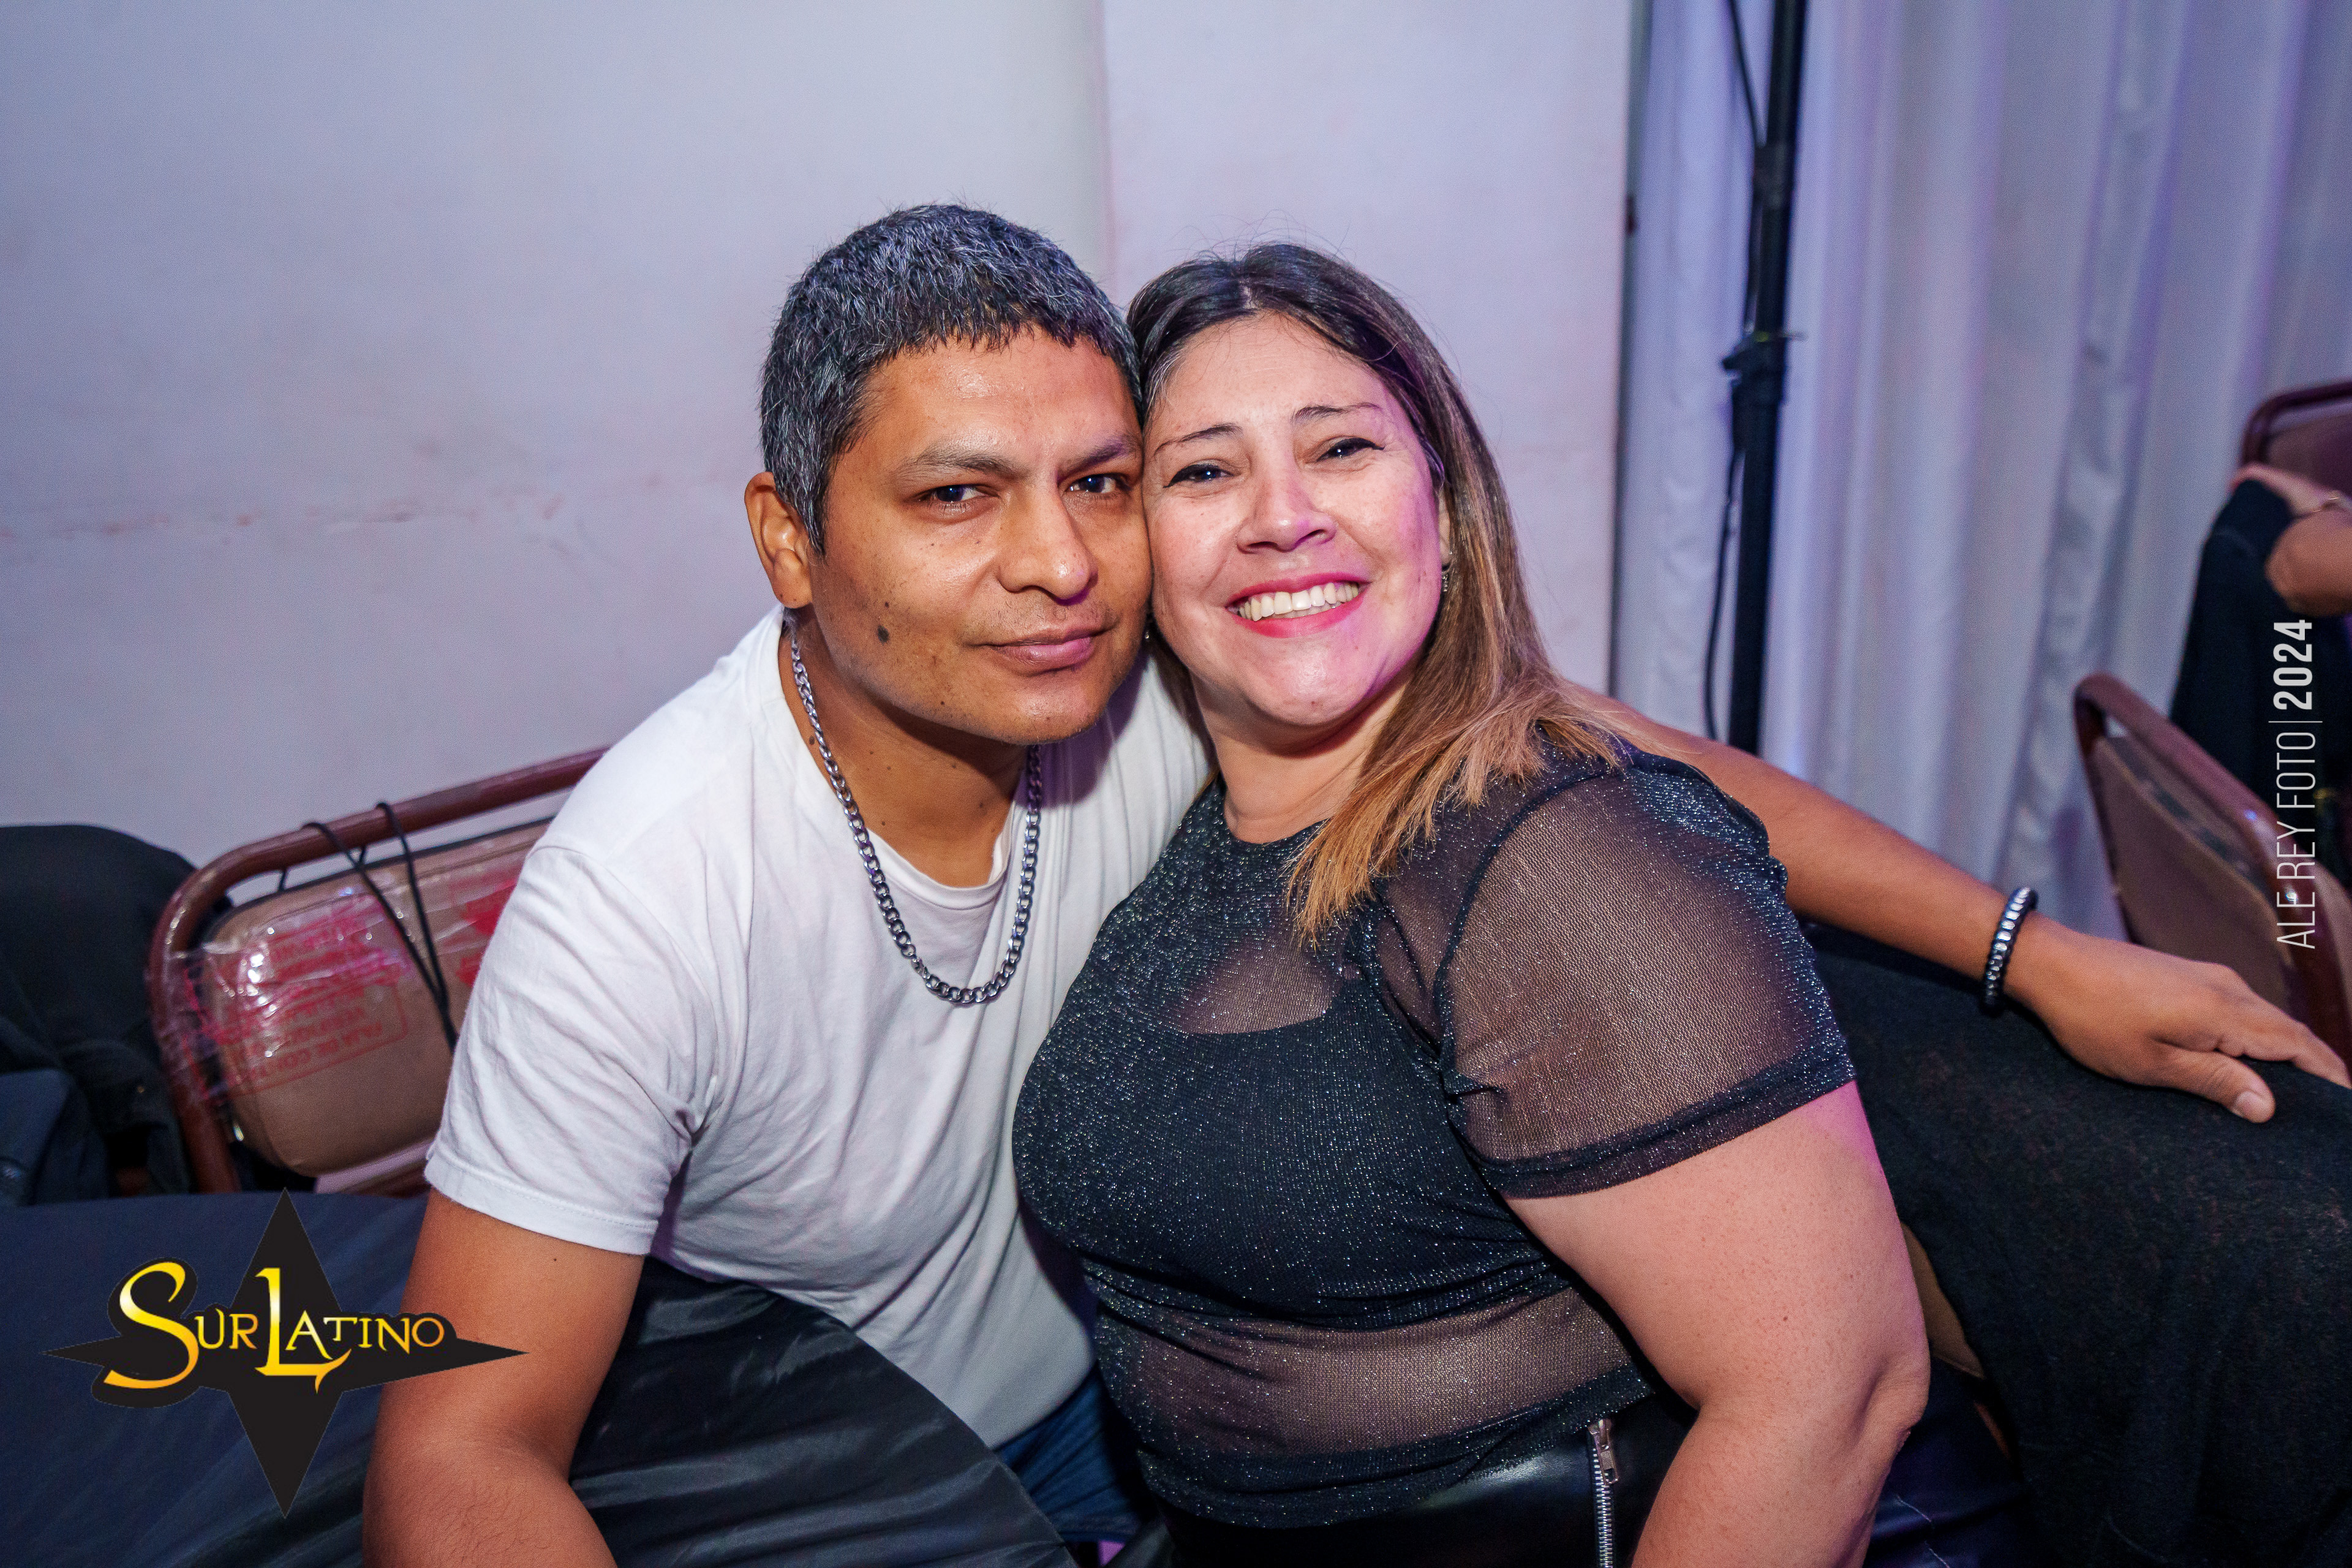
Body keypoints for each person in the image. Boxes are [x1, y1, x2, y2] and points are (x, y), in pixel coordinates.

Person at [367, 206, 2345, 1565]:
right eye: (957, 496)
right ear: (790, 540)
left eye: (1101, 482)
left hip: (1149, 1444)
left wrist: (2028, 948)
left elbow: (1626, 758)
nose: (1055, 563)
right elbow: (457, 1447)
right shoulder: (652, 894)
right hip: (863, 1466)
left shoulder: (1170, 673)